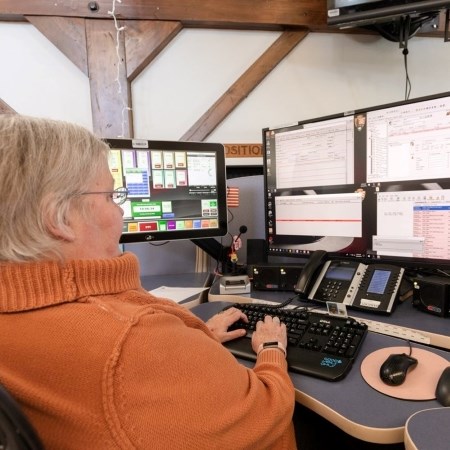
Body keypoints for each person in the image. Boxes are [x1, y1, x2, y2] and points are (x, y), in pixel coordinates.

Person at [0, 114, 297, 449]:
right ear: (60, 217)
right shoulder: (132, 342)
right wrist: (272, 350)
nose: (122, 214)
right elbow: (268, 412)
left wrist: (199, 339)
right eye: (112, 197)